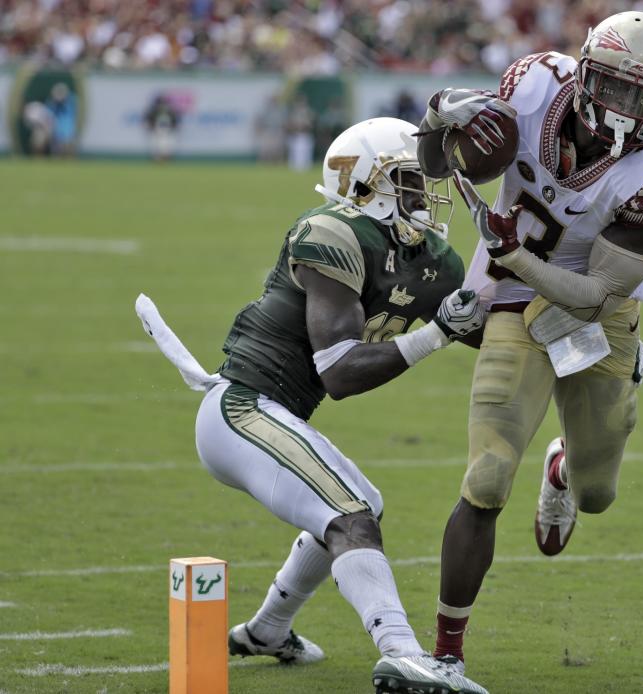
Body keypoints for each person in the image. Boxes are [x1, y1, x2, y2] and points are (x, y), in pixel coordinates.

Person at [142, 117, 489, 694]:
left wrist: (580, 341)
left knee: (362, 508)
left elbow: (487, 329)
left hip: (271, 413)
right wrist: (436, 335)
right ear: (362, 185)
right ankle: (402, 652)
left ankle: (267, 630)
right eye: (408, 179)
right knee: (350, 515)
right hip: (241, 409)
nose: (424, 192)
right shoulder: (331, 232)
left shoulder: (428, 257)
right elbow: (339, 372)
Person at [416, 12, 643, 668]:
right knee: (485, 478)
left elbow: (595, 294)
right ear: (586, 74)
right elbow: (435, 169)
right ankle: (445, 657)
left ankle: (564, 468)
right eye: (620, 90)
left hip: (596, 313)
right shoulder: (533, 85)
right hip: (511, 304)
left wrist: (516, 256)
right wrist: (436, 119)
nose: (631, 111)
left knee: (598, 494)